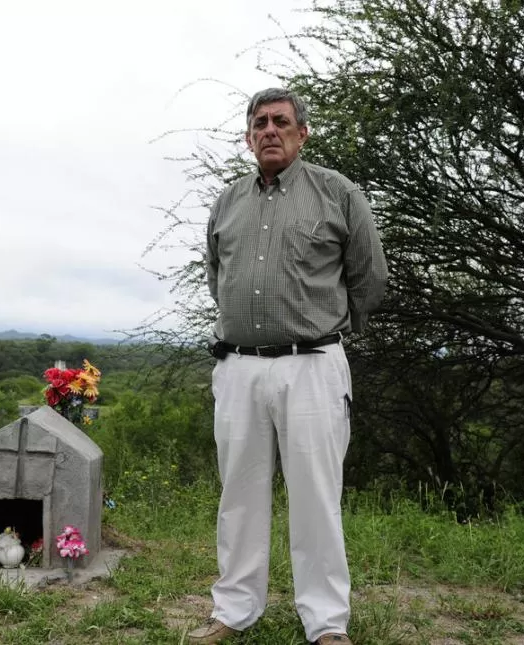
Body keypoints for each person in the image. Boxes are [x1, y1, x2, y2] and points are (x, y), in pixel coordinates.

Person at [189, 88, 388, 645]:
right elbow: (216, 276)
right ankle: (233, 611)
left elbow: (369, 278)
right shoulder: (227, 202)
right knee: (239, 496)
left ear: (302, 133)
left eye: (281, 121)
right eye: (259, 123)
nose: (270, 130)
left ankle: (326, 625)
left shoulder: (336, 193)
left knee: (316, 497)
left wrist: (325, 327)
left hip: (312, 366)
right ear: (249, 137)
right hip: (238, 368)